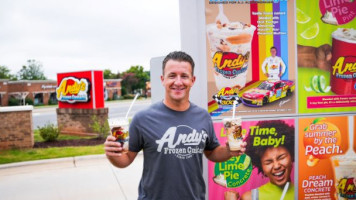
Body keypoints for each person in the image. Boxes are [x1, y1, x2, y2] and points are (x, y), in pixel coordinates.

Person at [104, 51, 246, 200]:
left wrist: (229, 151)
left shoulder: (203, 117)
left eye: (184, 76)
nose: (178, 82)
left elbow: (212, 152)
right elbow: (125, 160)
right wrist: (113, 154)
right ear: (162, 79)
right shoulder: (143, 119)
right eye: (172, 76)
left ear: (192, 80)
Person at [241, 120, 294, 200]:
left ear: (292, 156)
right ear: (261, 166)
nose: (276, 166)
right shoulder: (250, 198)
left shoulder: (304, 193)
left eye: (281, 157)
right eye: (268, 162)